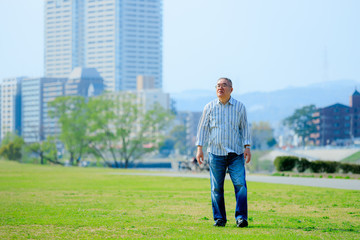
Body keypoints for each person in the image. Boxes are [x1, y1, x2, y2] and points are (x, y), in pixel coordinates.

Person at [195, 77, 251, 228]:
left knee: (240, 185)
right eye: (218, 86)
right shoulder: (209, 107)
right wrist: (199, 148)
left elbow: (245, 128)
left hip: (236, 154)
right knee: (216, 188)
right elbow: (203, 129)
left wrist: (247, 146)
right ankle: (219, 219)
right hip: (215, 153)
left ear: (231, 89)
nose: (220, 88)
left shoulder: (240, 107)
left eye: (224, 85)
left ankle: (241, 218)